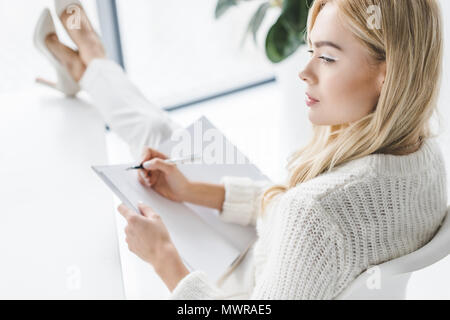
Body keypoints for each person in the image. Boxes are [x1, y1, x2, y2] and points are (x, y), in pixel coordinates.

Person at [36, 0, 448, 299]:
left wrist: (164, 258)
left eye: (326, 57)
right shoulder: (426, 157)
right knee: (171, 139)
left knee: (160, 132)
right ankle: (89, 66)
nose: (304, 72)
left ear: (387, 73)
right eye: (311, 51)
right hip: (280, 259)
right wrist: (191, 190)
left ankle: (89, 61)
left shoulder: (315, 216)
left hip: (244, 281)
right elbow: (308, 216)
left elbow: (312, 220)